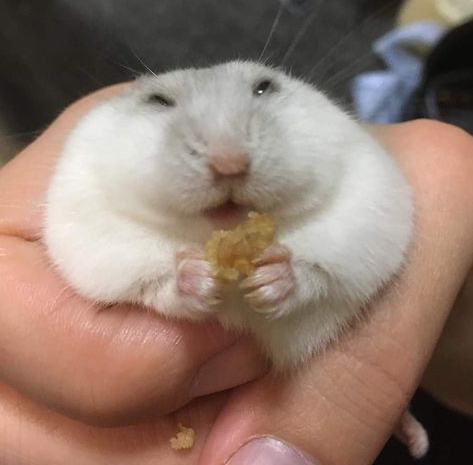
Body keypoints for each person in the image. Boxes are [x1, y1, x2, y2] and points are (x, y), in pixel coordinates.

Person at [0, 85, 472, 464]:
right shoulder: (89, 180)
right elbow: (89, 255)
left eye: (263, 90)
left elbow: (370, 250)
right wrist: (163, 284)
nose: (228, 163)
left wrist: (306, 277)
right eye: (161, 101)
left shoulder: (356, 173)